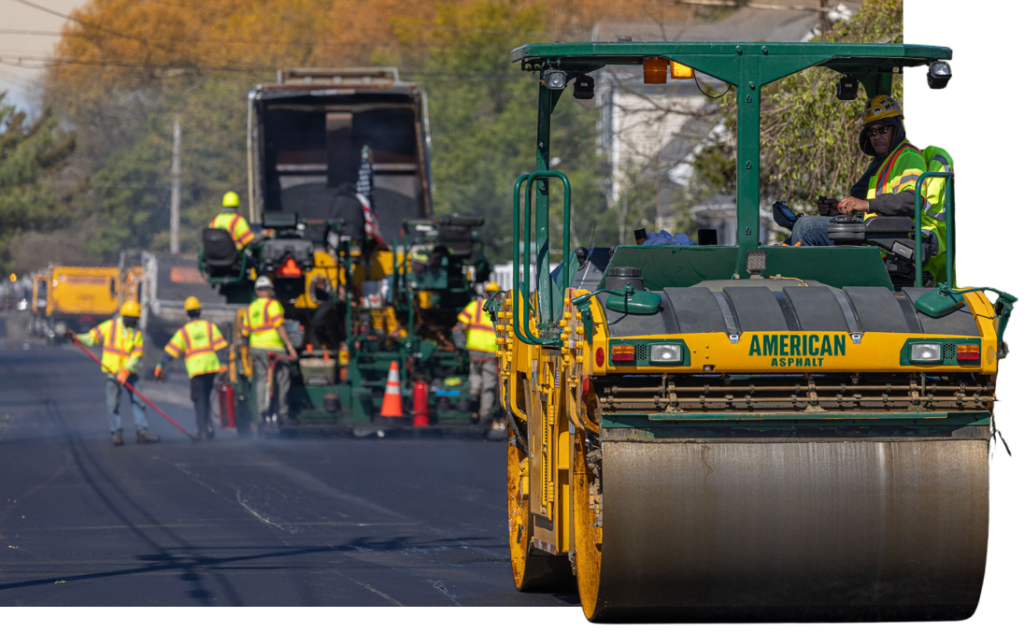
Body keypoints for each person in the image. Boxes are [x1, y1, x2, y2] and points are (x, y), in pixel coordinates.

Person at [788, 95, 929, 247]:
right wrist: (841, 209)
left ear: (896, 128)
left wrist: (865, 204)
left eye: (883, 129)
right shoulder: (882, 161)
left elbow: (912, 201)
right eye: (872, 132)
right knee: (798, 231)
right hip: (874, 233)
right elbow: (871, 207)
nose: (877, 137)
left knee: (807, 227)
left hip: (889, 242)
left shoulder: (908, 156)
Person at [68, 301, 160, 446]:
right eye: (130, 320)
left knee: (138, 401)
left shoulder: (137, 333)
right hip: (112, 374)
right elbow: (92, 338)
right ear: (123, 317)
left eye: (135, 320)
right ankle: (116, 433)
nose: (132, 323)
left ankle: (142, 431)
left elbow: (137, 356)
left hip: (129, 374)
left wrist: (125, 371)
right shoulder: (110, 326)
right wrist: (77, 337)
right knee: (113, 405)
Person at [153, 296, 229, 441]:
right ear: (199, 311)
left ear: (187, 313)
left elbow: (171, 351)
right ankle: (209, 428)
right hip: (211, 368)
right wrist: (224, 366)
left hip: (197, 369)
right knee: (205, 397)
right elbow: (221, 348)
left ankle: (203, 431)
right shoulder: (209, 327)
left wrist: (160, 365)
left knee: (198, 399)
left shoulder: (185, 331)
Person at [241, 276, 298, 430]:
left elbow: (245, 333)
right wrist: (290, 347)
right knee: (282, 378)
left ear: (257, 292)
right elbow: (279, 326)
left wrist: (246, 352)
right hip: (274, 347)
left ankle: (261, 413)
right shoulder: (274, 305)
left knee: (261, 378)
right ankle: (282, 413)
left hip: (256, 348)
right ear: (271, 290)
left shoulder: (251, 308)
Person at [457, 282, 502, 438]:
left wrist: (465, 340)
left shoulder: (475, 306)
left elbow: (462, 326)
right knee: (489, 383)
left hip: (474, 350)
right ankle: (484, 415)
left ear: (485, 293)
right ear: (498, 294)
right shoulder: (502, 309)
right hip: (491, 352)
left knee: (475, 377)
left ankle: (474, 396)